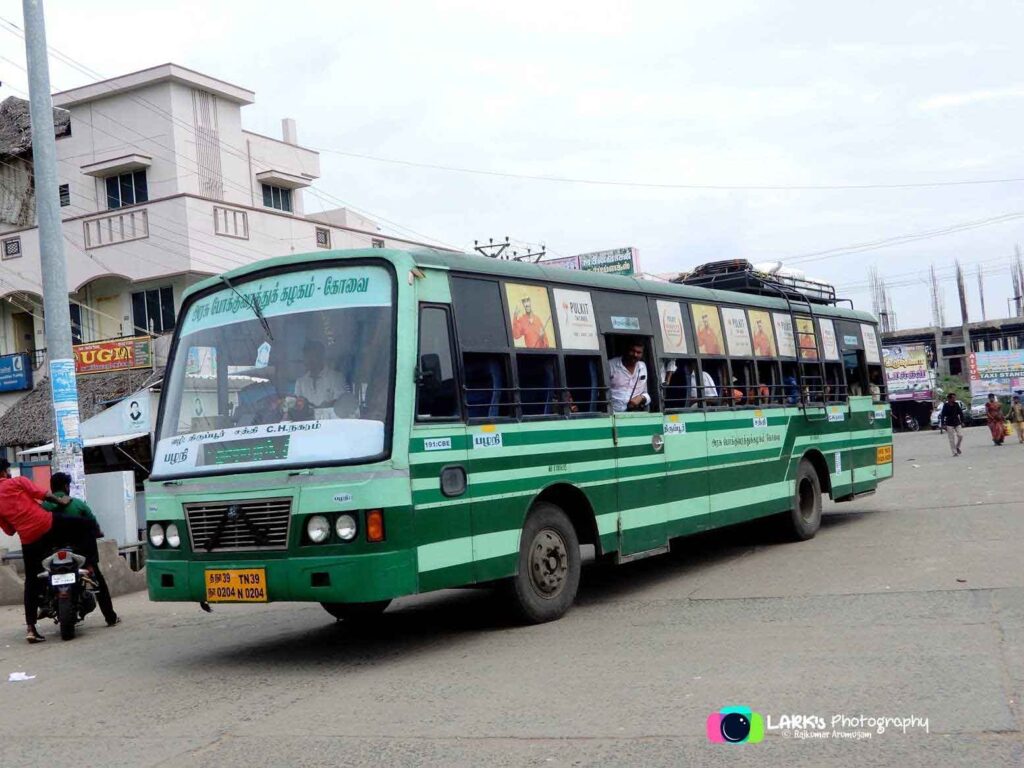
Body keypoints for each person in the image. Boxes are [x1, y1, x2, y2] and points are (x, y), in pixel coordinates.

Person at [0, 459, 103, 643]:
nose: (9, 473)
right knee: (86, 525)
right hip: (47, 525)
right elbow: (42, 493)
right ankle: (90, 565)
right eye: (7, 470)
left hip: (29, 540)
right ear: (4, 472)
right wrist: (60, 500)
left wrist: (18, 518)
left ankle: (31, 628)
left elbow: (9, 530)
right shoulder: (17, 482)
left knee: (31, 581)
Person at [41, 473, 117, 628]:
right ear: (66, 487)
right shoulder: (78, 504)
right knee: (97, 581)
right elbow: (94, 525)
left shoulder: (43, 506)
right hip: (81, 553)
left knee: (38, 580)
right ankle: (110, 617)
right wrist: (98, 533)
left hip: (51, 553)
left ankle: (40, 609)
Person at [294, 340, 349, 412]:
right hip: (308, 422)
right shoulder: (300, 382)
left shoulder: (336, 377)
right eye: (306, 357)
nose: (308, 360)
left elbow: (341, 402)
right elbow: (297, 405)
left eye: (312, 356)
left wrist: (325, 406)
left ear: (321, 357)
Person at [608, 339, 650, 412]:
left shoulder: (642, 366)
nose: (635, 355)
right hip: (612, 414)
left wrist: (641, 397)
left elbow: (645, 392)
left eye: (639, 352)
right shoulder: (611, 365)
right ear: (626, 350)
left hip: (633, 414)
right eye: (632, 351)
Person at [938, 392, 966, 456]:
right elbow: (942, 415)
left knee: (960, 435)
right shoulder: (946, 405)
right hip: (949, 423)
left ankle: (957, 447)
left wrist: (962, 421)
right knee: (951, 439)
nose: (954, 399)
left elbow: (960, 413)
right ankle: (954, 452)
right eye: (953, 398)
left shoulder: (956, 404)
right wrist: (943, 424)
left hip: (957, 422)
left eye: (955, 397)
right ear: (949, 399)